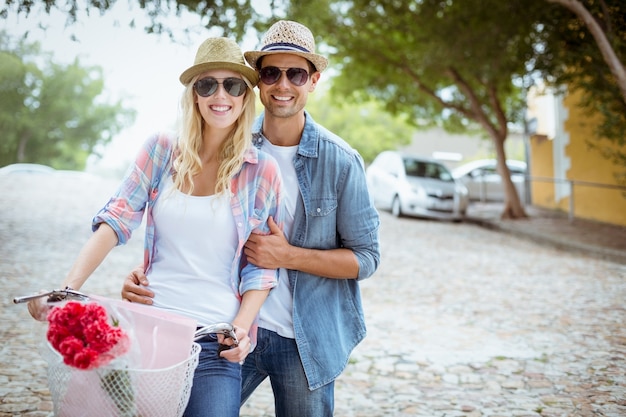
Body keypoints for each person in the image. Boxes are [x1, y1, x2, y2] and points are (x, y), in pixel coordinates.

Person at [122, 20, 381, 416]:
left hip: (303, 340)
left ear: (313, 81)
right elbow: (189, 224)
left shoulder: (341, 162)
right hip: (227, 330)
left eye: (296, 73)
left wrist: (288, 256)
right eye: (271, 73)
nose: (282, 84)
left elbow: (366, 259)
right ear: (256, 81)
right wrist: (145, 274)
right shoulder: (229, 144)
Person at [28, 36, 283, 417]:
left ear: (246, 97)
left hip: (215, 341)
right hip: (149, 327)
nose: (220, 95)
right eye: (207, 84)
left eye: (232, 85)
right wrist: (68, 289)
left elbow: (261, 268)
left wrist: (241, 329)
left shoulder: (260, 170)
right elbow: (115, 219)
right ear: (194, 94)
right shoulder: (161, 150)